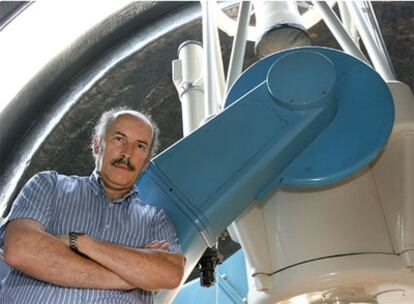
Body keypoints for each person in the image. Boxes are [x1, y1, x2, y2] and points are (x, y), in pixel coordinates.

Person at [0, 108, 185, 304]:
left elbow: (170, 274)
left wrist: (80, 242)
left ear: (147, 162)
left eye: (140, 146)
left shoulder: (155, 220)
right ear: (97, 144)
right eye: (119, 139)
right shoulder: (49, 185)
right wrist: (128, 276)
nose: (127, 153)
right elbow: (20, 249)